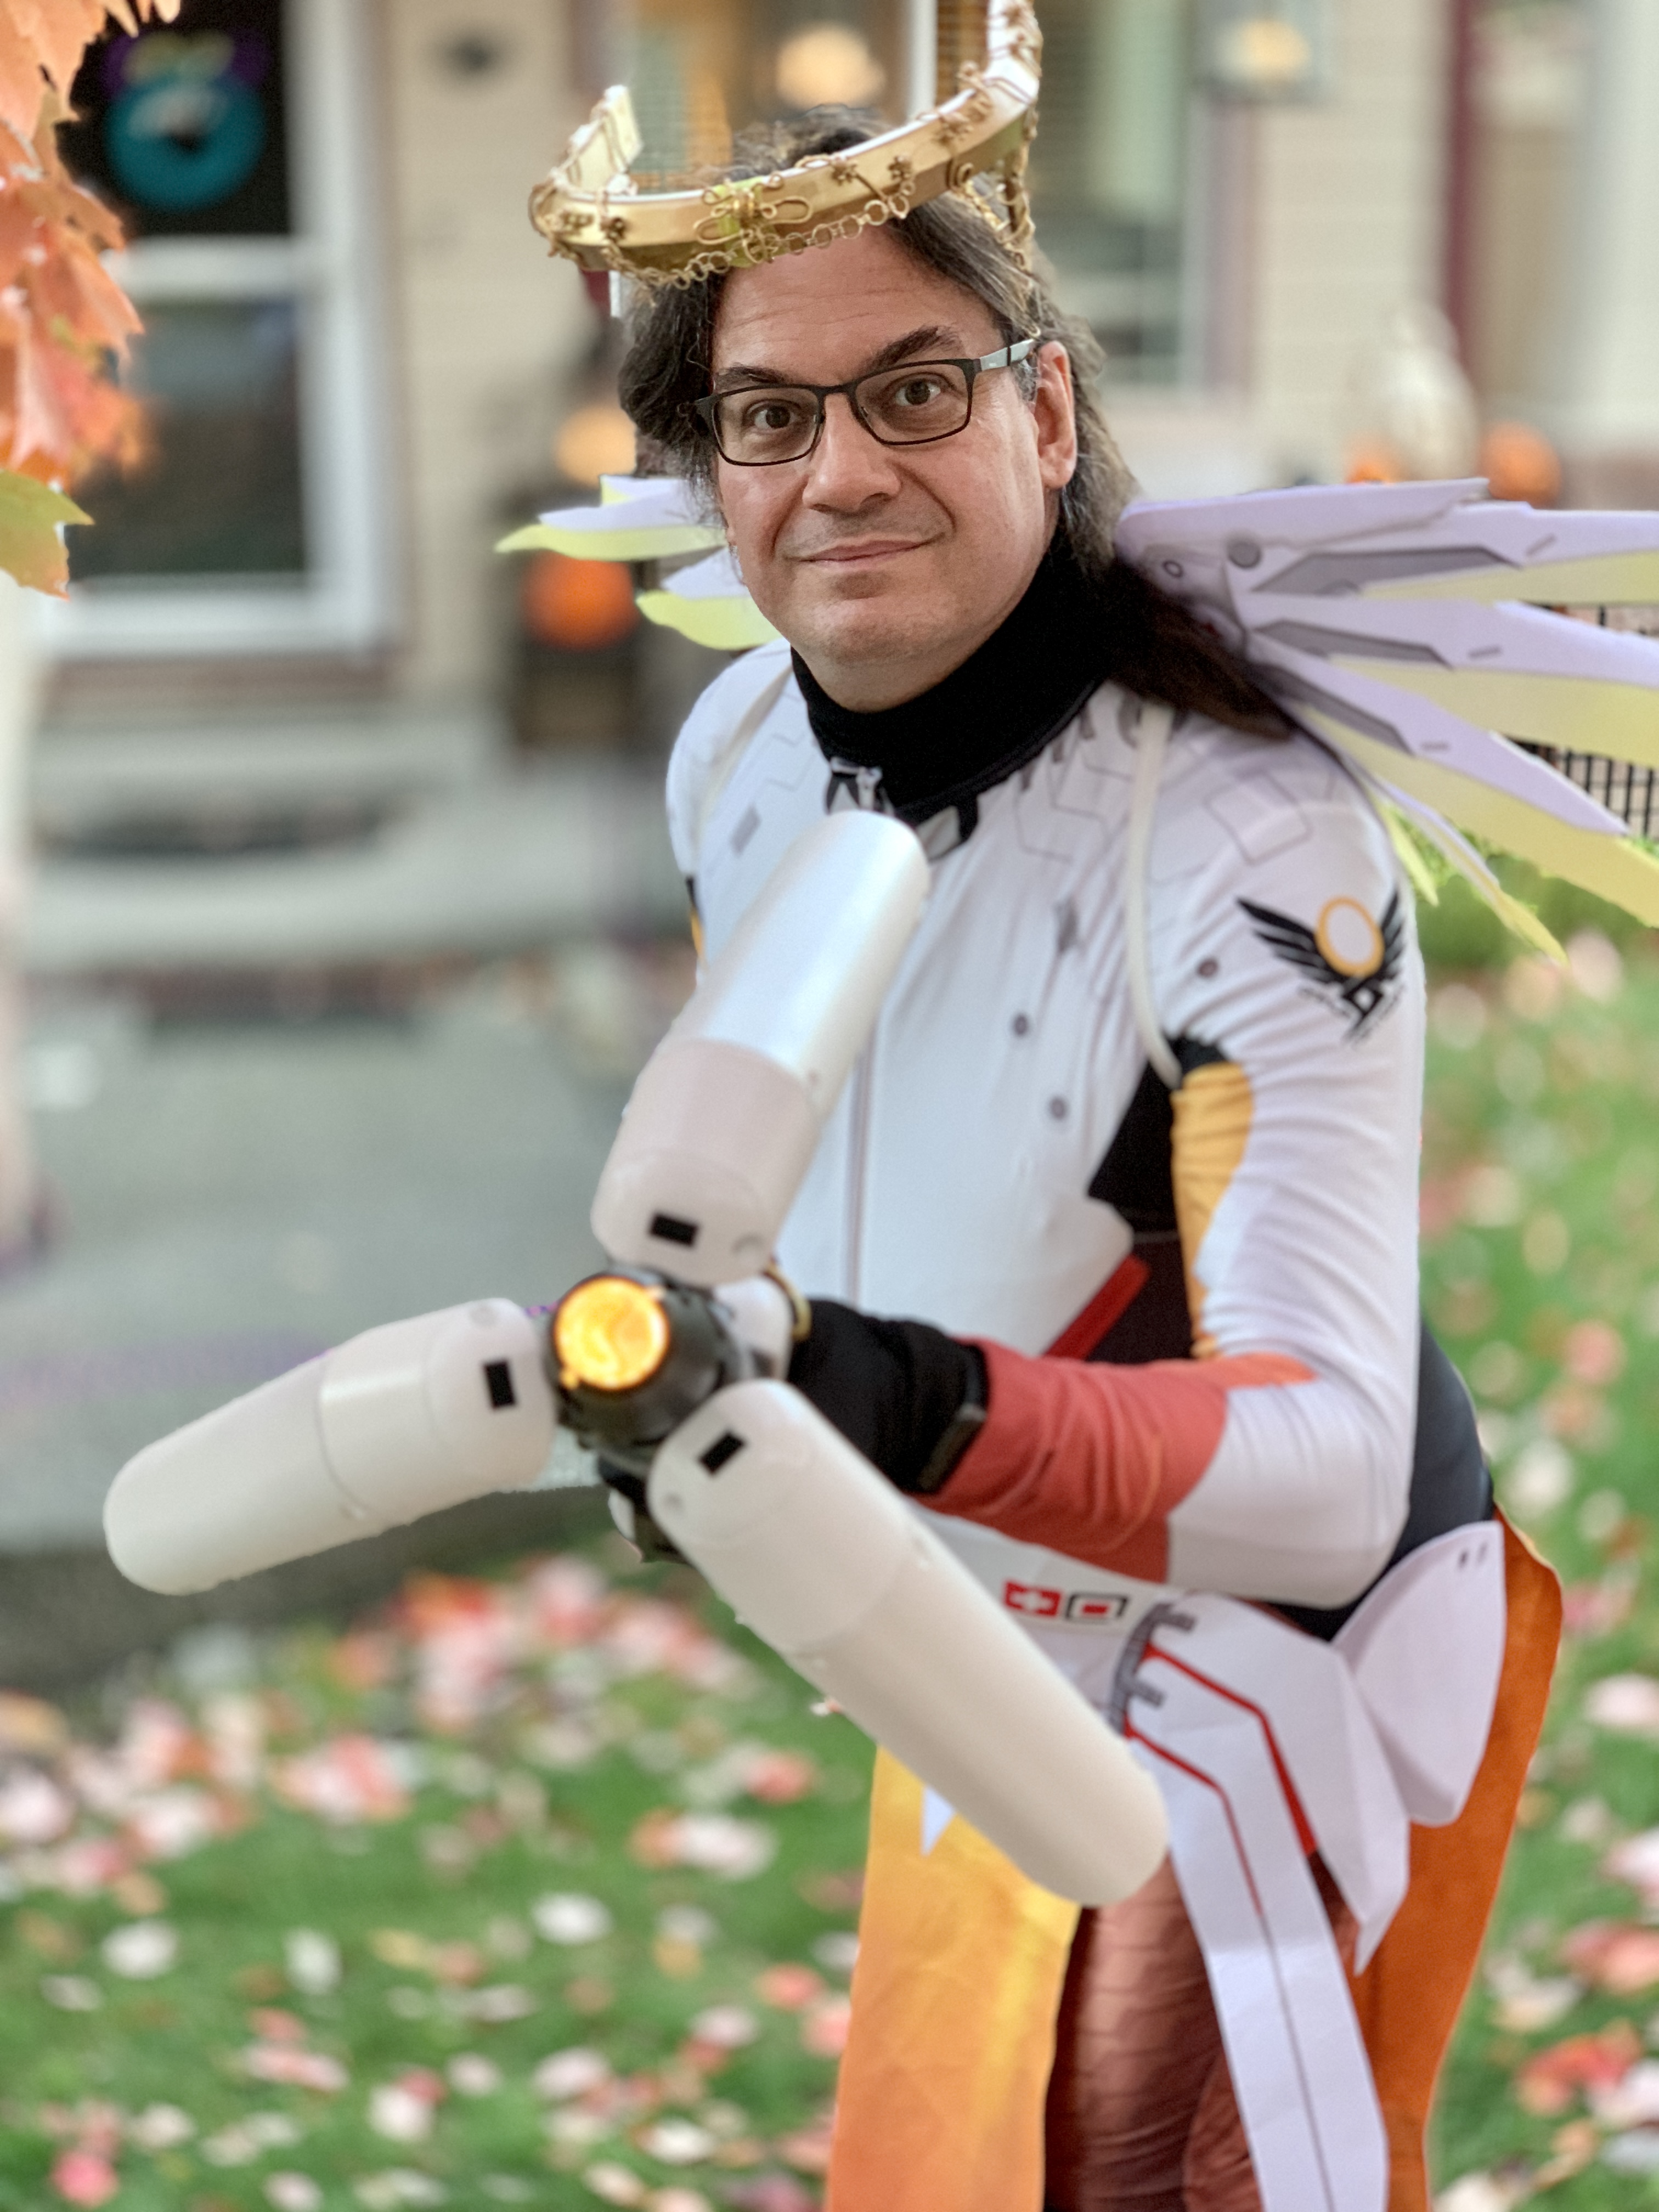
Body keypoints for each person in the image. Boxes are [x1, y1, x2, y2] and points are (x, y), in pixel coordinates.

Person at [583, 106, 1561, 2212]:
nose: (841, 473)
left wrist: (899, 1400)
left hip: (1255, 1682)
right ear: (709, 471)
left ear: (1043, 408)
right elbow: (805, 1163)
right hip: (968, 1624)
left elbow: (1324, 1476)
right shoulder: (735, 750)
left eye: (914, 390)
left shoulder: (1239, 828)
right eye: (768, 415)